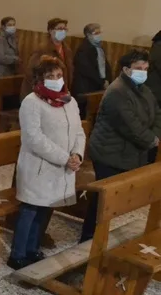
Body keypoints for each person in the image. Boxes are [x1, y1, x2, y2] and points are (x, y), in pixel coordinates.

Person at [10, 55, 85, 270]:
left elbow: (79, 132)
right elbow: (33, 138)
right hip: (39, 165)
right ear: (40, 79)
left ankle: (33, 249)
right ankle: (17, 253)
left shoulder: (69, 101)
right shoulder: (31, 102)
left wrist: (77, 155)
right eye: (50, 76)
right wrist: (65, 158)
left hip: (63, 165)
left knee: (45, 208)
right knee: (31, 209)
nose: (56, 79)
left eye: (59, 75)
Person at [80, 50, 161, 243]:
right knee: (102, 201)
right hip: (109, 152)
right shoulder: (117, 92)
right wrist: (153, 140)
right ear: (125, 70)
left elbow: (157, 113)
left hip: (128, 152)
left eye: (146, 68)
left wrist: (156, 134)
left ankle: (100, 236)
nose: (143, 72)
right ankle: (88, 239)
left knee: (115, 199)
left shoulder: (143, 89)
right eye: (138, 68)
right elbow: (130, 126)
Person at [22, 18, 73, 98]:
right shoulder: (42, 49)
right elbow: (31, 72)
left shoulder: (67, 49)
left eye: (64, 29)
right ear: (50, 31)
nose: (63, 31)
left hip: (60, 90)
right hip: (43, 92)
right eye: (59, 28)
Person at [73, 22, 113, 102]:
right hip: (87, 87)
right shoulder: (83, 49)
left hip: (98, 85)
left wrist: (108, 79)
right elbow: (87, 70)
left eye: (99, 32)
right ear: (88, 35)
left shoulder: (99, 47)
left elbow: (105, 65)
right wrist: (102, 82)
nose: (99, 35)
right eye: (96, 33)